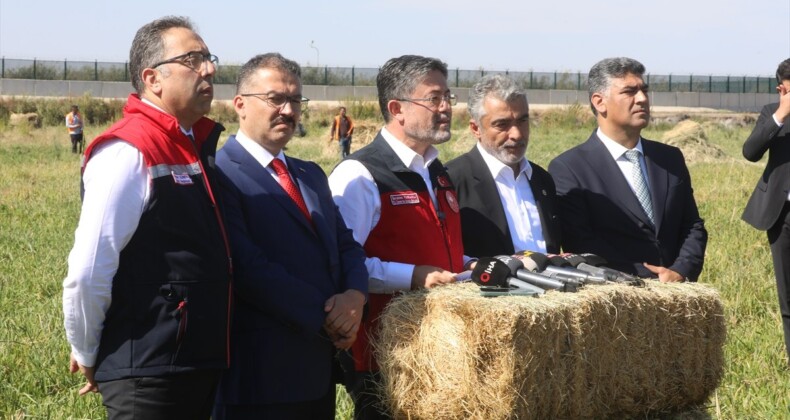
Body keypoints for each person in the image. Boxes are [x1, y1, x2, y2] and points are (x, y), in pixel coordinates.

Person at [62, 16, 231, 419]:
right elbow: (88, 269)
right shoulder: (128, 151)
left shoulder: (191, 145)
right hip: (150, 372)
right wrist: (86, 348)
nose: (208, 69)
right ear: (153, 78)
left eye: (209, 58)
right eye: (193, 59)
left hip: (195, 364)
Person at [211, 53, 368, 419]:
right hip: (258, 377)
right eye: (275, 98)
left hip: (316, 372)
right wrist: (328, 315)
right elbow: (247, 267)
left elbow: (346, 244)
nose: (287, 109)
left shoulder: (309, 173)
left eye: (295, 100)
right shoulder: (220, 174)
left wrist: (355, 296)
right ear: (240, 105)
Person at [329, 54, 469, 419]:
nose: (446, 108)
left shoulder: (436, 170)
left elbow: (442, 250)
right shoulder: (359, 173)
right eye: (434, 98)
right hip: (384, 354)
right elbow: (342, 262)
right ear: (397, 108)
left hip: (441, 346)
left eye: (448, 97)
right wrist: (412, 276)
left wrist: (476, 265)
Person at [548, 57, 707, 281]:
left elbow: (691, 224)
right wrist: (646, 278)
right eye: (629, 92)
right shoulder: (570, 168)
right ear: (599, 102)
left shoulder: (669, 159)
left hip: (677, 291)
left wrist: (680, 271)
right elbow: (581, 242)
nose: (642, 99)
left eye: (644, 90)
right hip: (617, 298)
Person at [446, 74, 560, 258]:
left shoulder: (542, 180)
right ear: (476, 129)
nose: (516, 134)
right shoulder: (452, 180)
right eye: (502, 124)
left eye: (522, 121)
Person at [742, 57, 790, 364]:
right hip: (782, 215)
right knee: (788, 295)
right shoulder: (770, 114)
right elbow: (750, 152)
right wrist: (781, 114)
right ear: (782, 88)